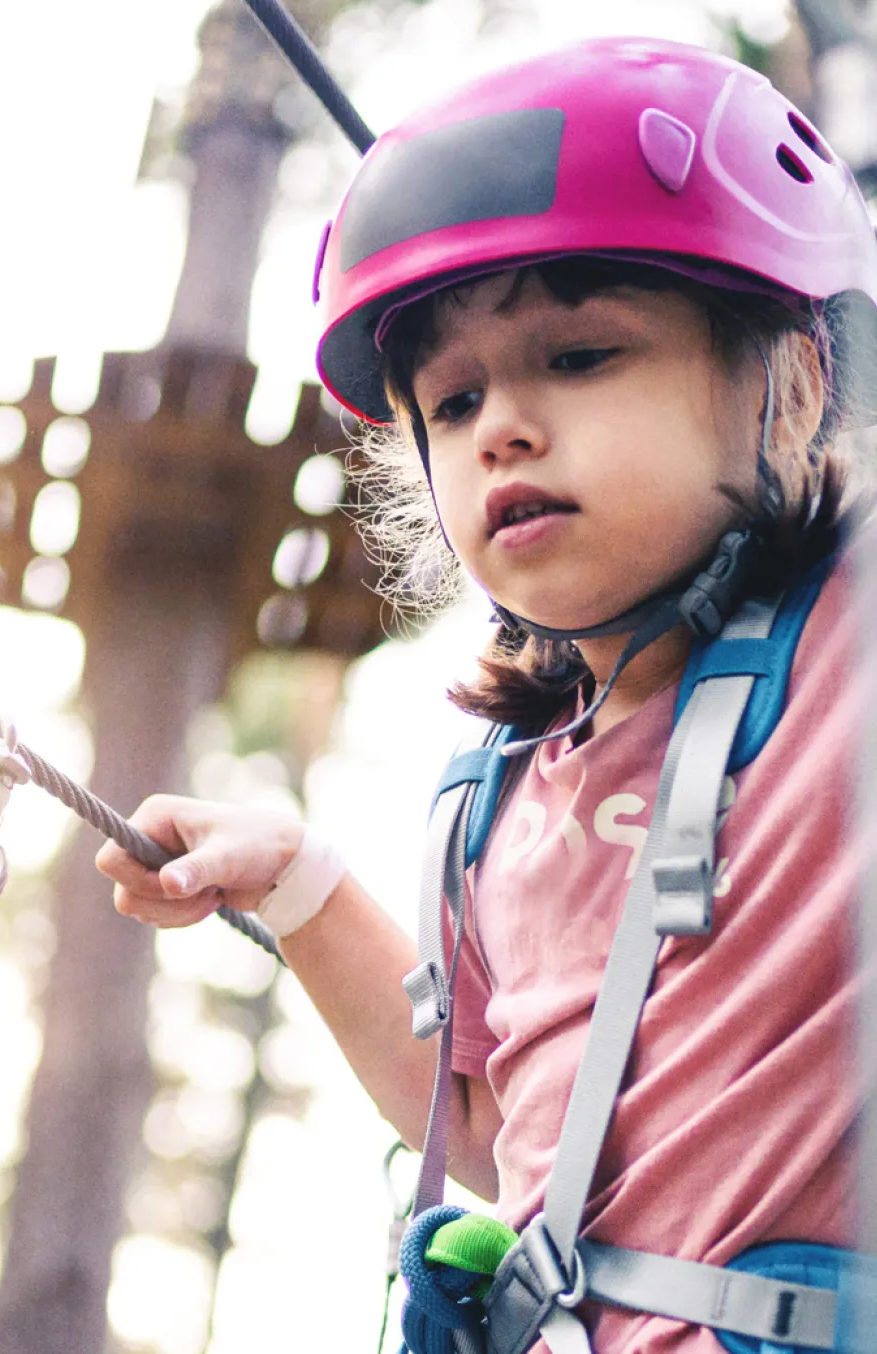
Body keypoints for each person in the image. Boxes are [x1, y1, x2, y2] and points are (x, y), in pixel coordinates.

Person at [96, 35, 877, 1353]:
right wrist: (298, 884)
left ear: (788, 380)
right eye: (453, 400)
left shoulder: (841, 666)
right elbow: (493, 1123)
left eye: (580, 355)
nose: (503, 422)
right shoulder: (498, 798)